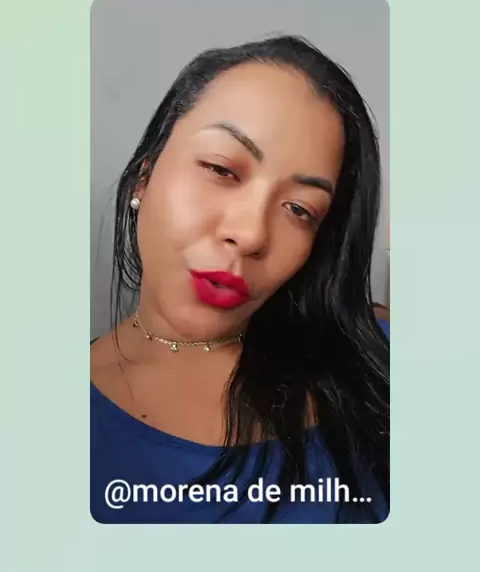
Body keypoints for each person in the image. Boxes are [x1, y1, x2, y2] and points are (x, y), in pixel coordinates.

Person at [90, 35, 390, 524]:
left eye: (300, 209)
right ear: (145, 175)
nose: (251, 235)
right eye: (221, 169)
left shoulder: (379, 362)